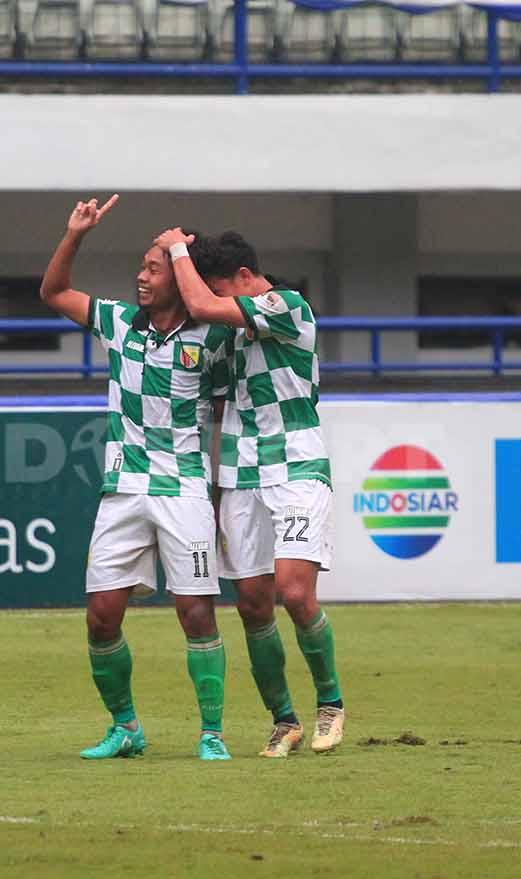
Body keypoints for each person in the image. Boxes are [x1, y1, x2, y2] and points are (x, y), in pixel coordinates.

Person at [40, 195, 236, 761]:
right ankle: (126, 727)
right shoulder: (119, 323)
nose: (140, 275)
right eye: (143, 266)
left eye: (153, 267)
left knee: (195, 612)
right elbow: (53, 292)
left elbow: (229, 409)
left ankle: (212, 733)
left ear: (182, 276)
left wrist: (223, 494)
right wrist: (74, 233)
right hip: (123, 489)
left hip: (186, 489)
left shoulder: (215, 338)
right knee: (101, 616)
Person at [152, 227, 344, 758]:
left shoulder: (288, 306)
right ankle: (284, 720)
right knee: (254, 605)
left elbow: (197, 303)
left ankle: (330, 703)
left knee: (296, 592)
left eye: (220, 290)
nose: (212, 302)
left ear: (243, 277)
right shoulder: (224, 330)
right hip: (239, 475)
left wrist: (175, 249)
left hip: (298, 469)